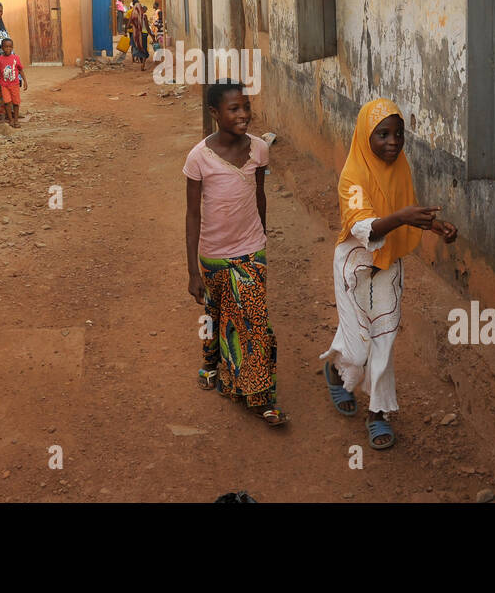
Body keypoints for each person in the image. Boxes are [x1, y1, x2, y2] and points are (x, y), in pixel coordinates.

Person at [320, 98, 458, 450]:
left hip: (388, 264)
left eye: (399, 134)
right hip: (354, 264)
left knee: (383, 340)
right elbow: (363, 226)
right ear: (366, 135)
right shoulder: (351, 176)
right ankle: (337, 370)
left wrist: (436, 226)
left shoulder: (401, 168)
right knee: (356, 348)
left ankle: (378, 414)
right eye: (383, 134)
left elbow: (407, 211)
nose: (393, 142)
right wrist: (403, 218)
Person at [184, 81, 287, 427]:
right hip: (213, 255)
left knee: (254, 322)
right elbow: (193, 214)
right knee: (217, 313)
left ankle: (261, 397)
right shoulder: (199, 157)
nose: (243, 115)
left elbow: (259, 195)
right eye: (234, 109)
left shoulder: (259, 149)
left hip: (250, 251)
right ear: (215, 114)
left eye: (246, 107)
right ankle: (211, 362)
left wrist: (262, 232)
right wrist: (193, 272)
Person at [0, 37, 27, 128]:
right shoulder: (0, 59)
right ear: (2, 48)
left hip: (14, 84)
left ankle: (16, 120)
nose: (8, 49)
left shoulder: (16, 58)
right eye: (6, 47)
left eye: (10, 47)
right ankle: (10, 120)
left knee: (16, 103)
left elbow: (21, 70)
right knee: (7, 102)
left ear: (12, 47)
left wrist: (25, 81)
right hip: (4, 85)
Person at [127, 0, 151, 71]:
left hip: (135, 34)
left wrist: (134, 25)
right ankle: (142, 65)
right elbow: (147, 28)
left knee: (137, 47)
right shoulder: (144, 16)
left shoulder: (132, 15)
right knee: (144, 50)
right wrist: (152, 36)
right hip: (143, 35)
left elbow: (127, 26)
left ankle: (134, 58)